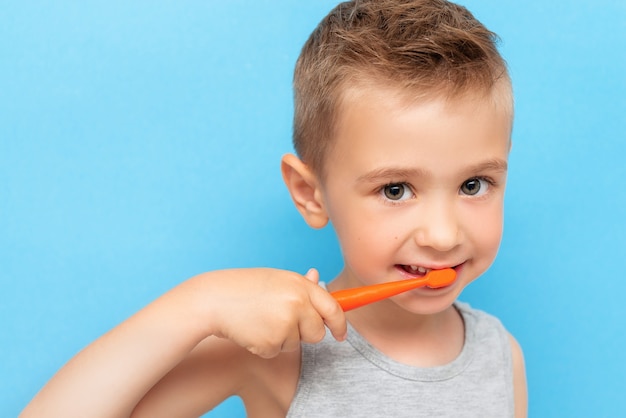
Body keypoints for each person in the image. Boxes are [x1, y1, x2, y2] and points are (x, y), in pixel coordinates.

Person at [21, 0, 527, 416]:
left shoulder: (500, 356)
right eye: (395, 190)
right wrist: (202, 303)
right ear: (311, 194)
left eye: (474, 184)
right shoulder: (279, 354)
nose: (442, 234)